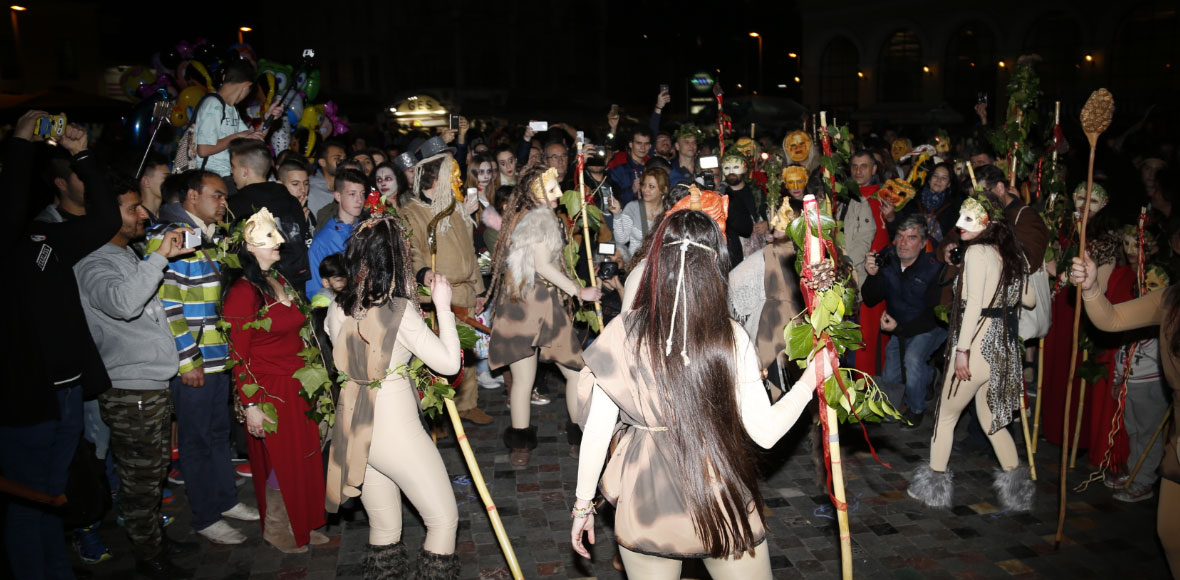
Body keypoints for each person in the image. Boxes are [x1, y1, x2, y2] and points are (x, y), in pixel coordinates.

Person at [570, 210, 832, 578]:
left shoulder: (621, 333)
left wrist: (583, 506)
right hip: (715, 486)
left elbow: (597, 431)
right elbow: (766, 432)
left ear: (656, 260)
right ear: (715, 264)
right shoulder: (730, 336)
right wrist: (810, 381)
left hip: (646, 493)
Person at [1, 113, 119, 579]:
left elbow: (107, 218)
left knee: (53, 496)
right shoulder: (6, 242)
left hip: (69, 391)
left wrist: (82, 155)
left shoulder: (44, 238)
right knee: (29, 503)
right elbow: (7, 210)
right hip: (24, 400)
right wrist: (19, 143)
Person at [324, 215, 462, 578]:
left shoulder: (337, 306)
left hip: (354, 423)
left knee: (385, 528)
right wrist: (443, 307)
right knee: (444, 521)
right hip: (393, 429)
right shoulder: (398, 311)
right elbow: (448, 363)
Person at [75, 180, 198, 578]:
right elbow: (124, 305)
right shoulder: (94, 262)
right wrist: (158, 259)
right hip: (129, 389)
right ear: (106, 216)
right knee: (140, 479)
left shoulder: (123, 253)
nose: (144, 214)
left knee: (153, 471)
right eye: (133, 209)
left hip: (148, 385)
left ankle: (154, 542)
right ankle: (149, 557)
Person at [147, 170, 260, 545]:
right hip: (194, 359)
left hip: (215, 355)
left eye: (225, 196)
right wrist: (188, 358)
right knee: (195, 439)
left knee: (217, 434)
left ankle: (224, 500)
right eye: (217, 195)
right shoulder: (170, 237)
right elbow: (168, 306)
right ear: (191, 196)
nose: (224, 203)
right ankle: (204, 515)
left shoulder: (204, 236)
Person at [907, 196, 1035, 512]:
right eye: (961, 216)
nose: (960, 224)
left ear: (987, 223)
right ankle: (1017, 491)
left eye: (969, 218)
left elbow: (975, 306)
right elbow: (1029, 299)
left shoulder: (978, 252)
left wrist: (961, 352)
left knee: (946, 416)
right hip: (1001, 349)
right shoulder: (1009, 253)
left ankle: (932, 488)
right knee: (991, 420)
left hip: (976, 346)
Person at [223, 209, 328, 554]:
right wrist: (251, 405)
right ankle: (278, 527)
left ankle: (305, 521)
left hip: (297, 383)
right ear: (249, 247)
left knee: (305, 456)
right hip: (270, 389)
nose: (280, 241)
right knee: (283, 460)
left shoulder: (277, 279)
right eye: (269, 237)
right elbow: (238, 354)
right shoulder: (243, 292)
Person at [1069, 253, 1180, 577]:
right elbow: (1112, 320)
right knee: (1171, 535)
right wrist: (1091, 288)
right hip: (1179, 442)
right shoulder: (1172, 298)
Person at [488, 167, 603, 467]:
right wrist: (578, 291)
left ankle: (526, 444)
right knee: (564, 373)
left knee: (550, 375)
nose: (557, 194)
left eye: (556, 188)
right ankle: (550, 441)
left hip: (528, 301)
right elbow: (541, 265)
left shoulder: (540, 216)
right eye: (549, 189)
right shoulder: (538, 219)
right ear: (533, 192)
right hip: (531, 302)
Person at [401, 145, 494, 427]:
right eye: (453, 174)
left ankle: (467, 405)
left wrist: (478, 289)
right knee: (437, 358)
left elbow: (469, 251)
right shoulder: (411, 212)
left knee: (465, 351)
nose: (459, 180)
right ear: (436, 178)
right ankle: (437, 416)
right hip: (437, 297)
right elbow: (412, 250)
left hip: (464, 291)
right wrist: (423, 273)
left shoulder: (453, 207)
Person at [862, 214, 947, 428]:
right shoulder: (888, 257)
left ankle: (916, 408)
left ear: (923, 243)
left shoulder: (934, 266)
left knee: (912, 360)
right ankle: (929, 377)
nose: (903, 243)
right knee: (890, 377)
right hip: (901, 325)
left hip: (930, 325)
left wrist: (900, 328)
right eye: (900, 237)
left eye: (911, 238)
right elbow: (871, 299)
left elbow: (934, 315)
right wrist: (871, 274)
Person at [227, 138, 311, 292]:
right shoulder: (292, 201)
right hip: (295, 284)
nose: (231, 171)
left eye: (233, 166)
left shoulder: (234, 205)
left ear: (245, 171)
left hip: (258, 288)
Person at [193, 58, 264, 180]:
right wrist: (237, 136)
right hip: (210, 178)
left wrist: (270, 117)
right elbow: (203, 150)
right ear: (247, 85)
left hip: (225, 175)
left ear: (224, 77)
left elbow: (251, 136)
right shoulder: (213, 104)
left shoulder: (231, 108)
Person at [305, 168, 367, 297]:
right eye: (352, 194)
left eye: (362, 193)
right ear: (337, 196)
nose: (359, 200)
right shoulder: (323, 241)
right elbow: (314, 291)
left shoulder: (368, 231)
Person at [896, 161, 962, 246]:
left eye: (944, 178)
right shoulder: (913, 199)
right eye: (935, 176)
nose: (938, 180)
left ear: (949, 184)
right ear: (929, 178)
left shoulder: (954, 206)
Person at [610, 167, 669, 261]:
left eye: (651, 186)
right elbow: (621, 240)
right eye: (643, 185)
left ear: (663, 190)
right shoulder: (633, 207)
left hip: (660, 264)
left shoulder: (669, 212)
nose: (645, 190)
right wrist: (617, 215)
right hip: (636, 264)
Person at [608, 128, 653, 206]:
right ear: (631, 144)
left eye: (646, 144)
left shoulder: (653, 166)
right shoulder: (618, 166)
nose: (643, 147)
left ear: (650, 146)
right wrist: (632, 190)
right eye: (639, 143)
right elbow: (612, 199)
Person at [277, 159, 316, 242]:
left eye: (306, 183)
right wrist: (297, 221)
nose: (303, 189)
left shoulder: (306, 210)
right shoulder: (275, 215)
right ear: (280, 185)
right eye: (295, 184)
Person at [307, 139, 348, 216]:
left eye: (344, 159)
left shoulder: (349, 187)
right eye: (337, 158)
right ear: (322, 162)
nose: (343, 162)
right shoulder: (310, 190)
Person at [138, 153, 171, 220]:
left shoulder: (169, 215)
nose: (171, 182)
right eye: (166, 178)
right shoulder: (139, 220)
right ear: (146, 182)